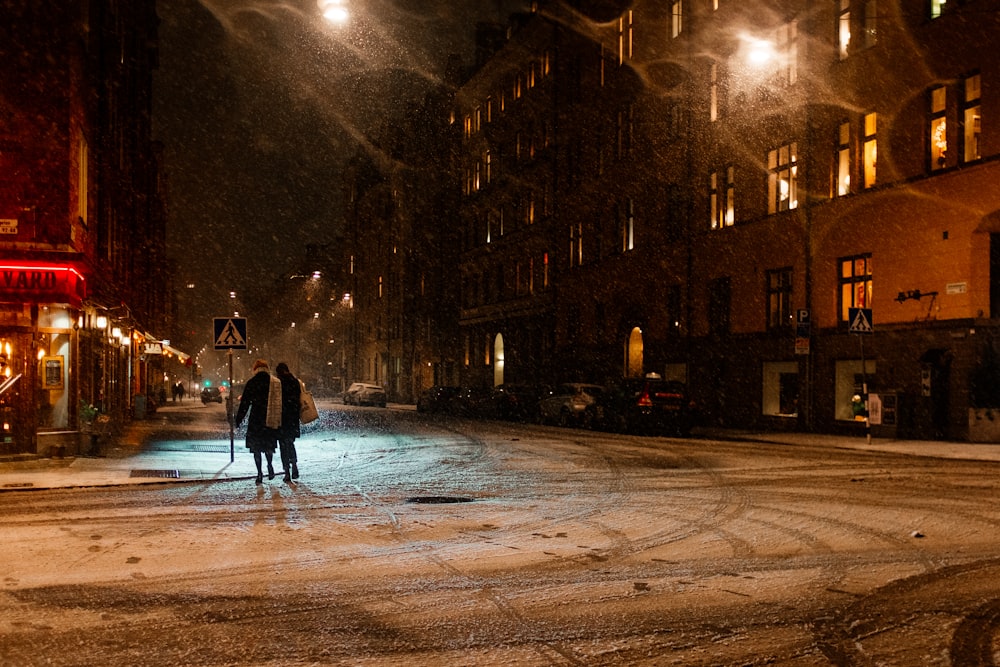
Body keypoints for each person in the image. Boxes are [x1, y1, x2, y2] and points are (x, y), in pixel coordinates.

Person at [234, 359, 280, 484]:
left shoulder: (252, 382)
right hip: (269, 417)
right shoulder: (273, 382)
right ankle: (270, 465)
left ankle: (259, 473)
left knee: (256, 448)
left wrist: (238, 420)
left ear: (255, 369)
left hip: (256, 419)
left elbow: (245, 403)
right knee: (268, 446)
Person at [275, 362, 302, 482]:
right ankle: (294, 464)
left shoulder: (278, 383)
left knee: (283, 445)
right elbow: (299, 398)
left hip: (281, 418)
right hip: (293, 418)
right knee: (290, 443)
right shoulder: (295, 381)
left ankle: (287, 471)